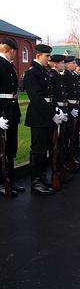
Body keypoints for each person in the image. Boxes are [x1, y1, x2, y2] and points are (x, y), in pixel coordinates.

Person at [24, 44, 64, 195]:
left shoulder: (43, 72)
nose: (49, 59)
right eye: (47, 56)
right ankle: (35, 182)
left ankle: (42, 178)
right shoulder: (32, 73)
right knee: (38, 150)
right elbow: (37, 98)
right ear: (39, 55)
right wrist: (51, 114)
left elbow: (50, 96)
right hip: (39, 117)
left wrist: (56, 110)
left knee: (47, 149)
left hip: (47, 116)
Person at [0, 38, 25, 197]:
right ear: (11, 50)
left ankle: (10, 180)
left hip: (11, 112)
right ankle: (2, 183)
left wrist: (17, 112)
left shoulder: (9, 66)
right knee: (1, 150)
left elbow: (13, 95)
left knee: (10, 148)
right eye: (15, 52)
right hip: (2, 114)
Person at [48, 54, 70, 186]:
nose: (64, 65)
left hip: (63, 111)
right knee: (55, 145)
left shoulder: (59, 76)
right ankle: (56, 172)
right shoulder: (52, 76)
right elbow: (53, 96)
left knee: (62, 143)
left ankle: (61, 170)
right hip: (57, 112)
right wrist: (57, 111)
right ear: (55, 64)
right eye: (62, 63)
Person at [63, 56, 80, 172]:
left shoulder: (74, 76)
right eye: (73, 63)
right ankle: (68, 159)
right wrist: (70, 109)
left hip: (77, 107)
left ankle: (74, 157)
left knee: (75, 134)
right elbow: (65, 96)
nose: (75, 65)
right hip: (70, 109)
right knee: (69, 135)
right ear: (66, 65)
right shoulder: (65, 76)